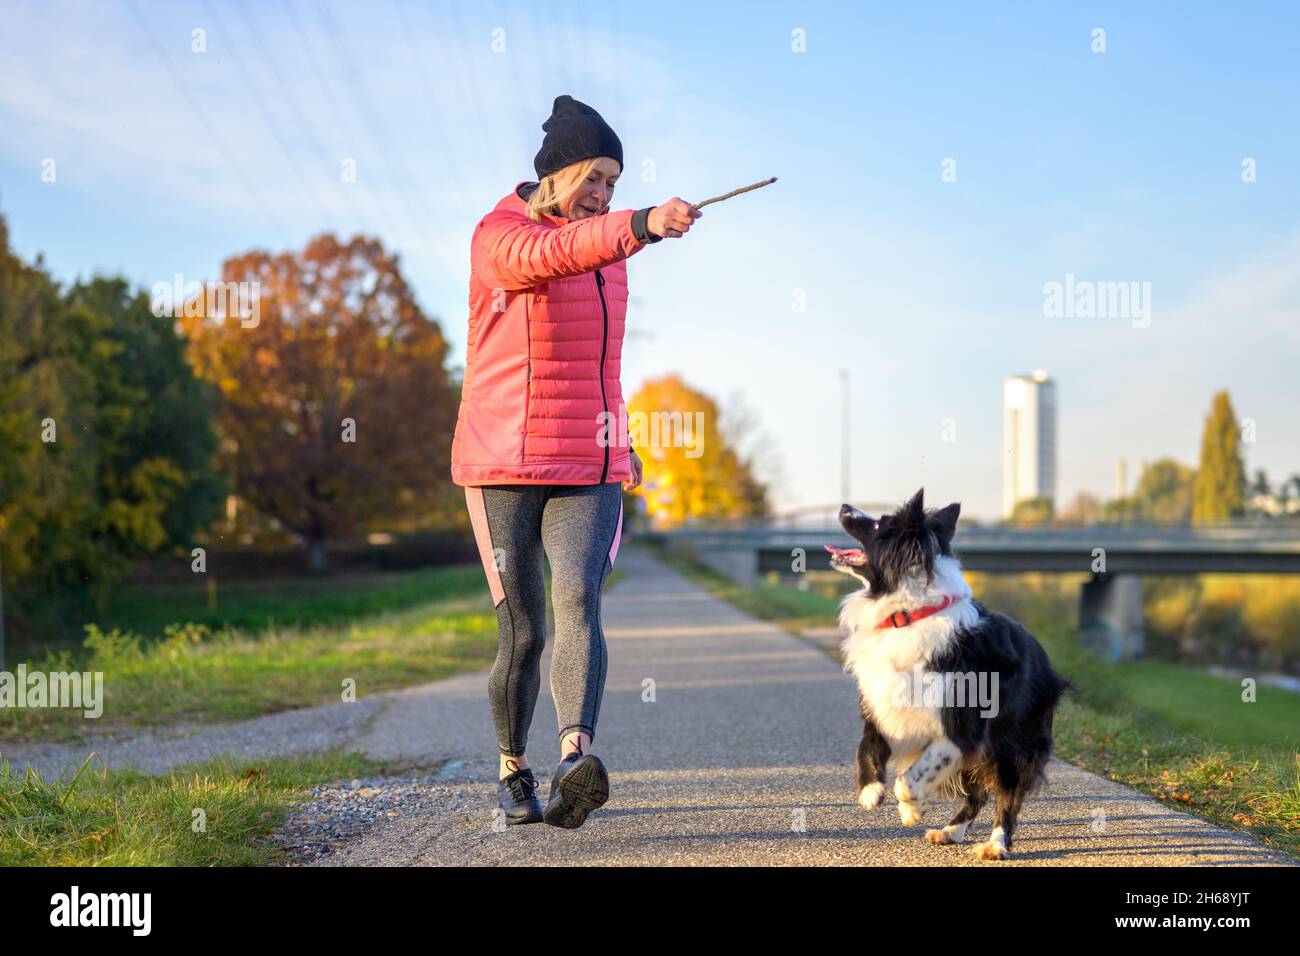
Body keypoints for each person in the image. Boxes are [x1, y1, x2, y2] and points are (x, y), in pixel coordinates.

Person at [451, 95, 701, 828]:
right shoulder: (499, 236)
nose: (602, 195)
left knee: (579, 602)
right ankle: (513, 767)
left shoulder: (611, 259)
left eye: (614, 187)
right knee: (523, 630)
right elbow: (548, 256)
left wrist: (620, 441)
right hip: (502, 460)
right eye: (594, 178)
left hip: (587, 459)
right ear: (558, 173)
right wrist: (638, 225)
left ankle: (572, 761)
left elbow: (603, 366)